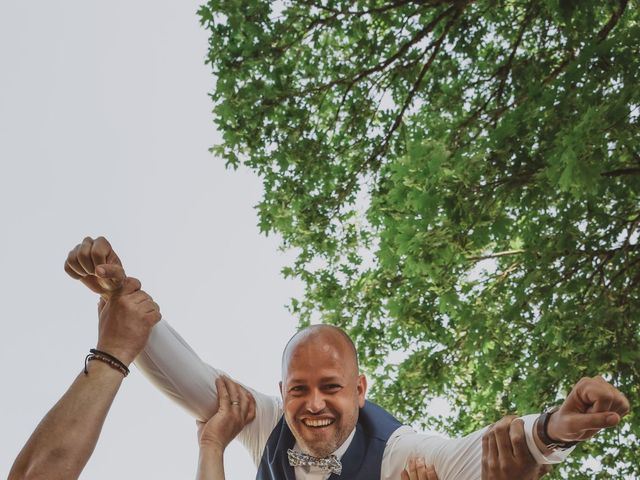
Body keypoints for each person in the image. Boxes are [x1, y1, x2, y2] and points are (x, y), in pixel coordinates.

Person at [65, 237, 630, 480]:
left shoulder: (398, 453)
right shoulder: (265, 425)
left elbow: (477, 455)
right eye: (298, 388)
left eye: (331, 387)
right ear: (281, 390)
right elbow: (186, 378)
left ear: (360, 390)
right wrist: (119, 300)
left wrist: (556, 429)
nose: (313, 404)